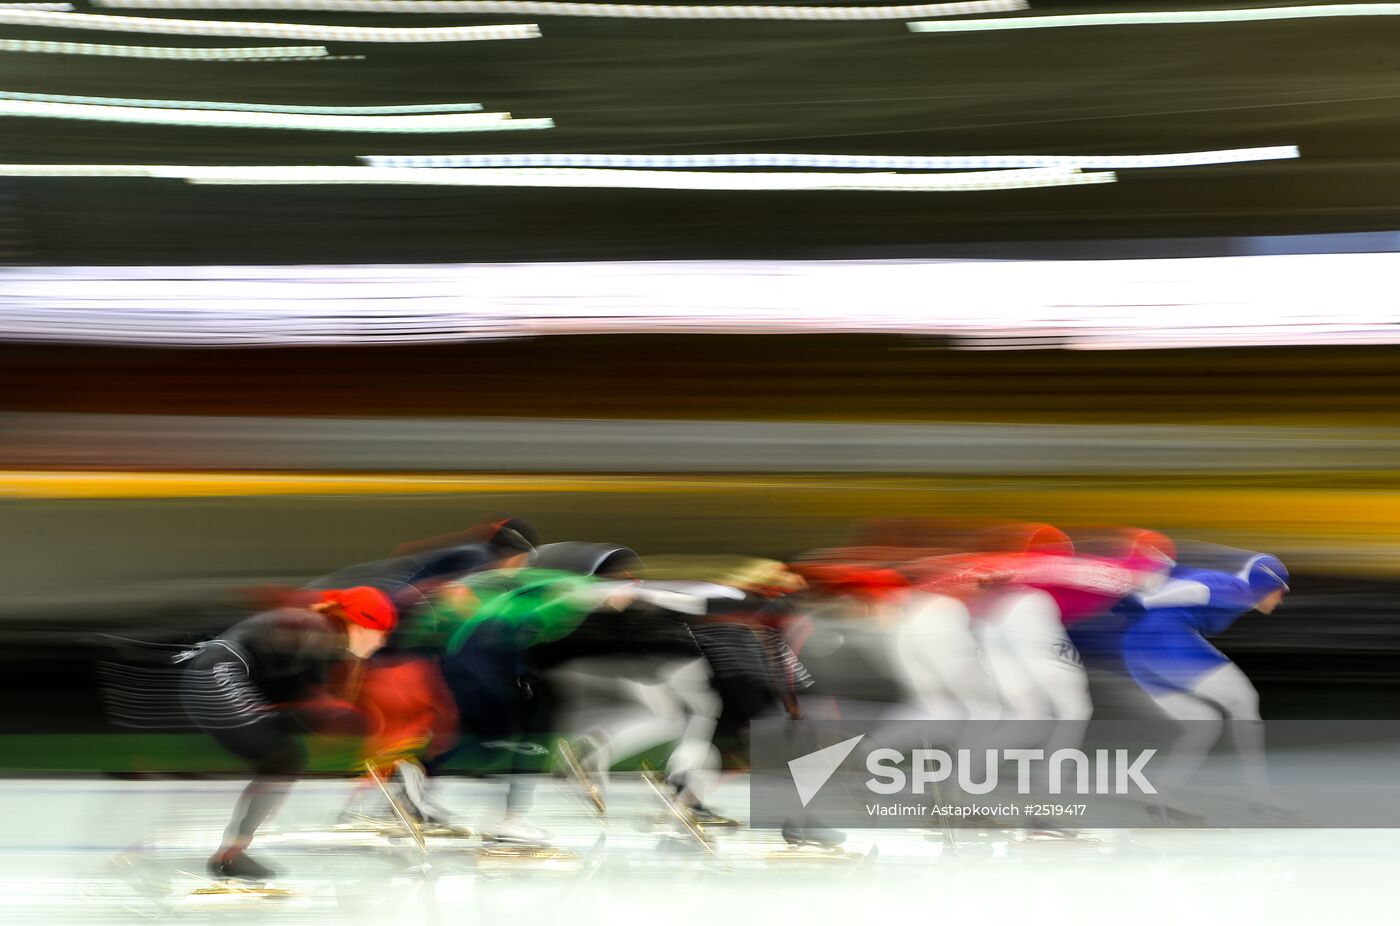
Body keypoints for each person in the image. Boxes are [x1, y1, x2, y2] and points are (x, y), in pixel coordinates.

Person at [180, 586, 397, 881]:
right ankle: (230, 855)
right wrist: (357, 726)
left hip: (217, 672)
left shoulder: (322, 635)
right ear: (359, 623)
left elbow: (301, 703)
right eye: (381, 631)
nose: (382, 641)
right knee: (284, 758)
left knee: (285, 758)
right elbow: (311, 703)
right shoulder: (318, 631)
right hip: (217, 672)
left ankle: (232, 852)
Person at [1114, 551, 1290, 815]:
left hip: (1136, 651)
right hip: (1163, 639)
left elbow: (1169, 568)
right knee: (1244, 699)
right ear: (1266, 585)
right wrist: (1146, 600)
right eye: (1281, 592)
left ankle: (1162, 796)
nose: (1281, 600)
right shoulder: (1239, 590)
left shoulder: (1231, 586)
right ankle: (1258, 792)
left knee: (1204, 723)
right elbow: (1195, 589)